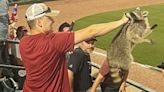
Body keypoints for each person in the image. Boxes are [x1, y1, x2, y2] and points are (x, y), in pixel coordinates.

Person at [20, 3, 129, 92]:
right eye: (49, 18)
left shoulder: (23, 42)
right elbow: (91, 31)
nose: (52, 21)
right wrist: (122, 21)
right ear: (39, 23)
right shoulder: (53, 41)